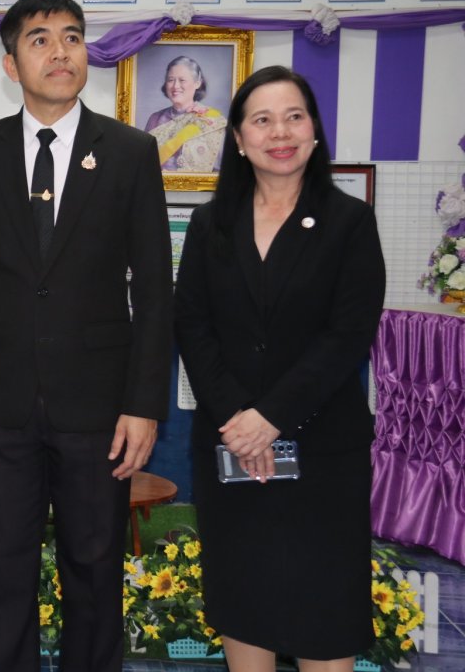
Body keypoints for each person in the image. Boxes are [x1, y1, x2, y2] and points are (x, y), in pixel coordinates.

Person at [0, 0, 173, 672]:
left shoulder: (130, 152)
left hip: (99, 408)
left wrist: (144, 403)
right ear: (11, 64)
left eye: (71, 36)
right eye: (39, 39)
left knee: (93, 567)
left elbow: (156, 292)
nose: (59, 51)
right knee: (1, 566)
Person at [174, 66, 385, 670]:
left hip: (323, 453)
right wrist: (239, 420)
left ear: (314, 131)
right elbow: (192, 327)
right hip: (231, 446)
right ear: (239, 140)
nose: (280, 133)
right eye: (262, 121)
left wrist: (270, 418)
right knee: (244, 599)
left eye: (294, 117)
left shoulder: (350, 222)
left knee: (325, 612)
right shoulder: (210, 224)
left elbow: (348, 336)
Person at [143, 55, 228, 173]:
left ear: (197, 83)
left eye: (182, 80)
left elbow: (221, 170)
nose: (175, 86)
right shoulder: (155, 119)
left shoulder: (212, 119)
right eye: (170, 80)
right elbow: (144, 164)